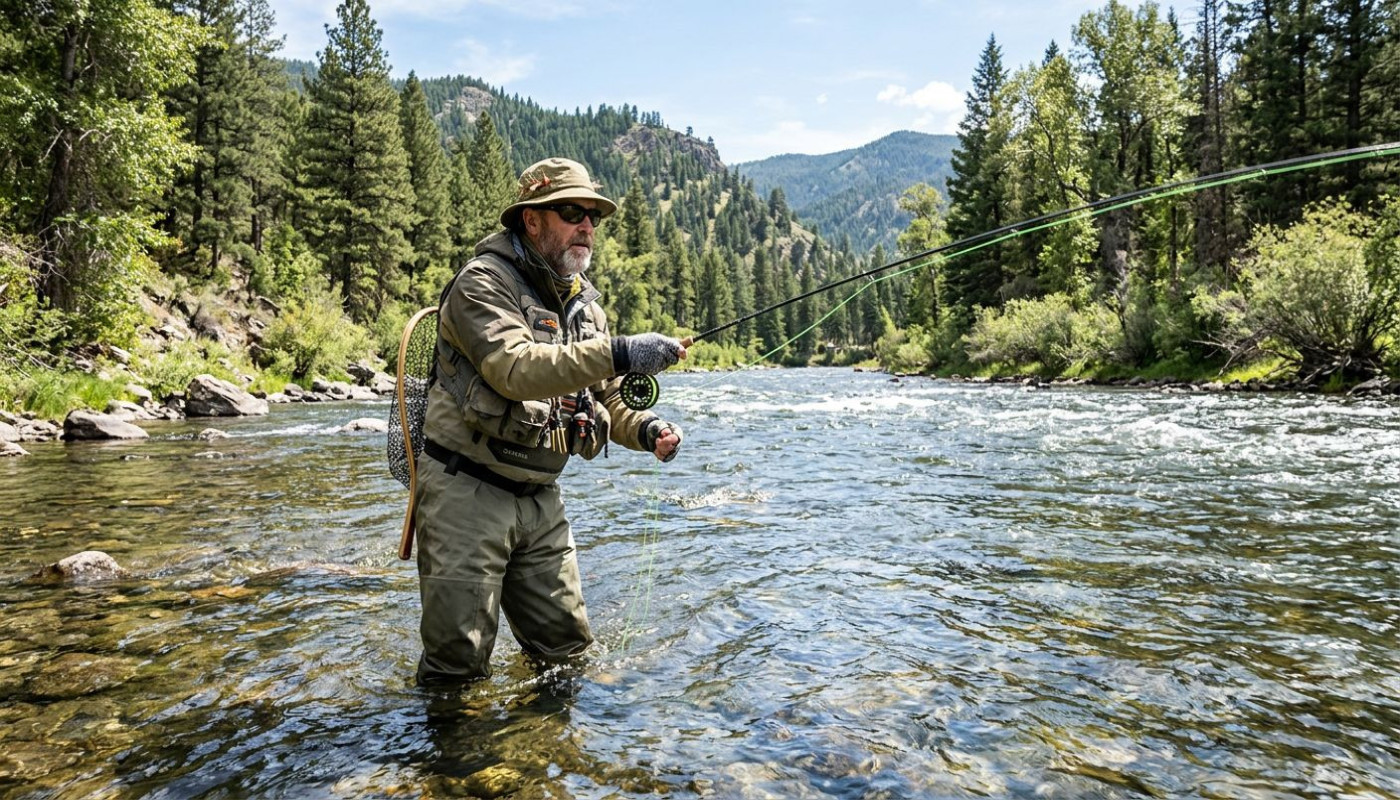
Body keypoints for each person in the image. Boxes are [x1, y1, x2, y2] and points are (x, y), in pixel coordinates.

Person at [414, 156, 687, 685]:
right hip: (465, 492)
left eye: (593, 216)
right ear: (530, 220)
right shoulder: (480, 285)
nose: (586, 225)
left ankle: (548, 758)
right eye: (571, 211)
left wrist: (648, 430)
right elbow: (513, 370)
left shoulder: (585, 306)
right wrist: (624, 350)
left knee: (567, 657)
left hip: (541, 497)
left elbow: (605, 395)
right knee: (457, 671)